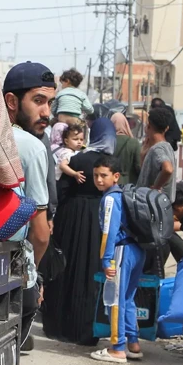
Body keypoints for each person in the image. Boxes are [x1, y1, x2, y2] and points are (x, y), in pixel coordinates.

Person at [43, 117, 117, 345]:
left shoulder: (77, 159)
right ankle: (89, 329)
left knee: (67, 267)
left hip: (71, 218)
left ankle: (59, 325)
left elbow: (61, 189)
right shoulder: (111, 163)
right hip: (100, 219)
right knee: (93, 270)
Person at [3, 61, 54, 352]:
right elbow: (41, 234)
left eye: (49, 102)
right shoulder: (32, 147)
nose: (46, 112)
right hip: (14, 274)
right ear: (12, 101)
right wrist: (35, 279)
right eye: (38, 101)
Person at [89, 155, 145, 363]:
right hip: (137, 250)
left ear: (116, 176)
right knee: (128, 298)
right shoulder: (123, 195)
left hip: (121, 253)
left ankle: (117, 347)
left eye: (104, 175)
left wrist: (106, 260)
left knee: (115, 301)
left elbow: (109, 233)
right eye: (95, 175)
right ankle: (134, 343)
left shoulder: (110, 199)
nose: (99, 180)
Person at [138, 107, 176, 277]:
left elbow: (167, 169)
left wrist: (154, 188)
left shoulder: (159, 149)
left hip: (153, 214)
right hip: (162, 212)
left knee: (151, 268)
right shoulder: (166, 146)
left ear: (149, 125)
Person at [111, 113, 141, 185]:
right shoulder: (134, 142)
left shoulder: (108, 142)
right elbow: (138, 165)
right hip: (130, 182)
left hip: (112, 182)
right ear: (125, 124)